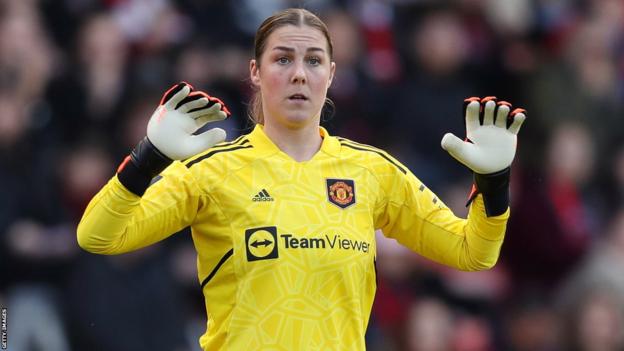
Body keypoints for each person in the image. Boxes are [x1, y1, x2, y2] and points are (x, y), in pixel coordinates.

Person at [77, 8, 526, 350]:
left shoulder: (372, 171)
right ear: (255, 72)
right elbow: (98, 237)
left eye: (314, 60)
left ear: (331, 74)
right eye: (282, 58)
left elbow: (474, 253)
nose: (298, 73)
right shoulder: (212, 170)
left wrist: (493, 183)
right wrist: (147, 157)